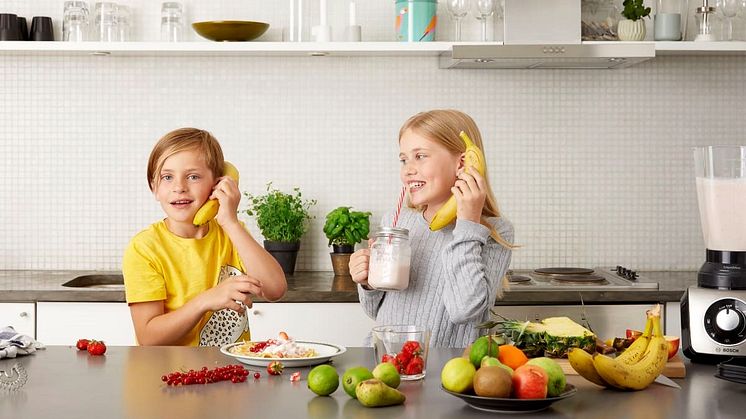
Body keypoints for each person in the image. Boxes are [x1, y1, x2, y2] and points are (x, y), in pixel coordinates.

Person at [349, 110, 514, 348]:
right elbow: (375, 311)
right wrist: (368, 282)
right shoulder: (396, 221)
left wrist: (468, 226)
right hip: (385, 363)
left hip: (447, 373)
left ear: (462, 163)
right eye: (404, 159)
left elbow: (464, 310)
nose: (408, 169)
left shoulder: (494, 231)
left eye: (421, 156)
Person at [123, 128, 287, 346]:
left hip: (229, 374)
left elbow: (275, 289)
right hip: (168, 376)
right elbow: (148, 338)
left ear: (217, 184)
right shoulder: (144, 248)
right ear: (154, 188)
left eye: (193, 176)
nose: (179, 187)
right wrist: (205, 300)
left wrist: (231, 222)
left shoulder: (231, 233)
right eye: (167, 177)